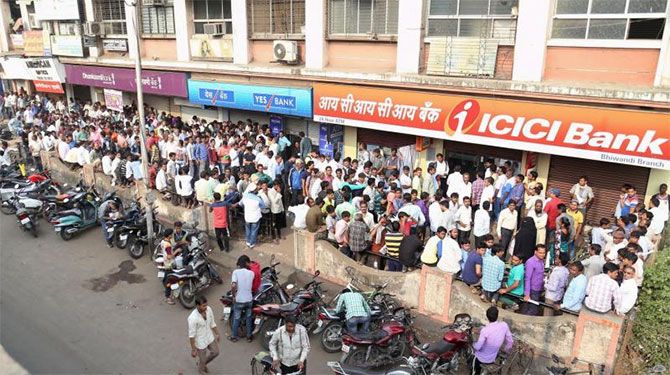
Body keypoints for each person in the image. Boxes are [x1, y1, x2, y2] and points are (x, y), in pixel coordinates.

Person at [472, 307, 513, 375]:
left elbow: (478, 347)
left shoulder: (485, 330)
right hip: (494, 356)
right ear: (497, 315)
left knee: (474, 357)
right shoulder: (504, 325)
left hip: (482, 358)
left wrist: (473, 344)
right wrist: (506, 351)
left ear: (487, 317)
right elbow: (510, 341)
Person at [188, 295, 220, 375]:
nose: (206, 307)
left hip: (209, 337)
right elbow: (191, 336)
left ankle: (202, 364)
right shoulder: (192, 318)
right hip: (200, 342)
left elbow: (212, 323)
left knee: (216, 352)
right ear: (197, 306)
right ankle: (201, 370)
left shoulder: (209, 309)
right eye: (203, 306)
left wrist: (217, 333)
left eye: (206, 305)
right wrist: (193, 349)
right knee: (202, 359)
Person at [230, 255, 255, 342]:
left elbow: (233, 285)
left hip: (239, 300)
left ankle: (233, 336)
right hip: (249, 300)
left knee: (236, 318)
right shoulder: (252, 273)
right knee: (248, 318)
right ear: (246, 263)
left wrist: (234, 296)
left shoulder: (235, 272)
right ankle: (249, 336)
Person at [522, 245, 546, 316]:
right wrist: (527, 294)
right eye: (540, 253)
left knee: (532, 308)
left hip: (539, 288)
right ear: (535, 252)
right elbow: (527, 278)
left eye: (543, 253)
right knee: (533, 309)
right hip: (533, 289)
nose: (542, 255)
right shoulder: (530, 262)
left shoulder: (541, 261)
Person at [239, 183, 265, 248]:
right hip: (255, 217)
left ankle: (248, 242)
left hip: (247, 217)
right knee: (254, 230)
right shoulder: (258, 198)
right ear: (254, 190)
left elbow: (240, 204)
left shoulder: (245, 197)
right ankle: (252, 243)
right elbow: (263, 206)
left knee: (248, 229)